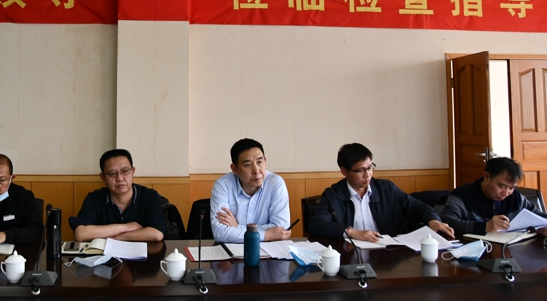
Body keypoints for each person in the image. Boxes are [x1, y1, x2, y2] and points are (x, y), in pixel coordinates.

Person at [308, 143, 454, 241]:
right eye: (360, 170)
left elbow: (417, 206)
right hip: (351, 254)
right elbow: (316, 225)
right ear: (344, 171)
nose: (367, 174)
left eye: (370, 167)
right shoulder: (333, 195)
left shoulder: (386, 189)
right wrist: (352, 232)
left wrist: (433, 220)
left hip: (389, 255)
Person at [69, 149, 165, 242]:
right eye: (112, 173)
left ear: (133, 172)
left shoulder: (149, 196)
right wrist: (125, 227)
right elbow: (80, 234)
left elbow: (157, 233)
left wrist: (116, 237)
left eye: (125, 171)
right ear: (103, 178)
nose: (119, 178)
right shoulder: (94, 198)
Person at [210, 138, 291, 243]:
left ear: (265, 161)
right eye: (247, 165)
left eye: (260, 162)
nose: (256, 170)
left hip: (269, 249)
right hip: (232, 251)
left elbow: (281, 229)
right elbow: (220, 232)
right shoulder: (223, 186)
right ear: (235, 169)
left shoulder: (275, 183)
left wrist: (237, 227)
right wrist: (267, 234)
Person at [441, 157, 547, 236]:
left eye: (511, 188)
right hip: (473, 251)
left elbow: (540, 217)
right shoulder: (462, 195)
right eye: (502, 186)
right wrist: (485, 227)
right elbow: (446, 221)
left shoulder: (515, 197)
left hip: (509, 251)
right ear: (486, 176)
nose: (506, 193)